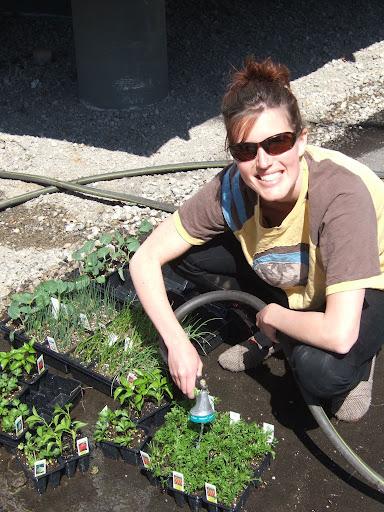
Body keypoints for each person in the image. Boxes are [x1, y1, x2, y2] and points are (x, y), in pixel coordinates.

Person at [129, 56, 384, 422]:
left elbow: (340, 334)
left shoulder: (340, 196)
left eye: (277, 142)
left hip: (365, 284)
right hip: (302, 279)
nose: (263, 162)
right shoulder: (231, 188)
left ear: (301, 140)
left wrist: (276, 314)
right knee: (189, 254)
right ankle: (279, 328)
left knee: (319, 370)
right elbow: (146, 258)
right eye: (246, 150)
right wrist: (177, 343)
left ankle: (359, 359)